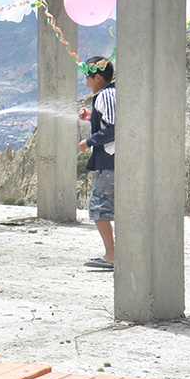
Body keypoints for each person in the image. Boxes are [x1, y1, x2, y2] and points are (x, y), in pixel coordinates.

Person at [78, 56, 116, 270]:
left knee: (99, 207)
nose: (86, 83)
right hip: (110, 160)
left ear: (98, 77)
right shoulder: (109, 95)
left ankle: (111, 255)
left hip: (109, 160)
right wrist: (92, 116)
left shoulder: (105, 95)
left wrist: (88, 142)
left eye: (88, 78)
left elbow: (112, 128)